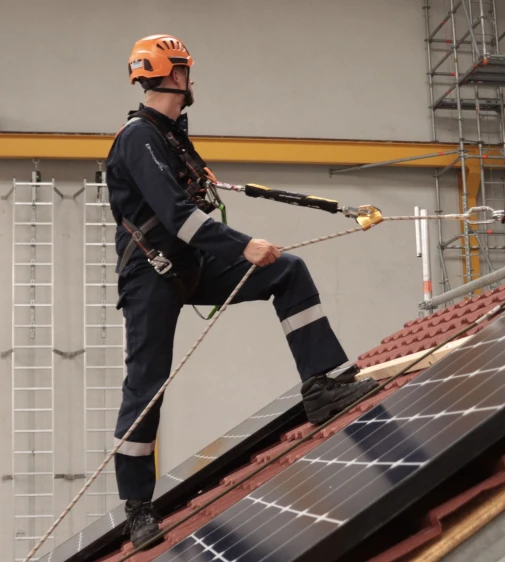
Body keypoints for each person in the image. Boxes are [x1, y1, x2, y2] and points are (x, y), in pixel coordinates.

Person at [104, 34, 379, 548]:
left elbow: (189, 201)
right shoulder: (138, 137)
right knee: (147, 384)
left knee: (288, 271)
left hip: (189, 264)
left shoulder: (169, 137)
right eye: (187, 71)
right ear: (175, 75)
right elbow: (175, 216)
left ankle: (322, 386)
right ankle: (137, 507)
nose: (191, 81)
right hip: (151, 273)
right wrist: (241, 245)